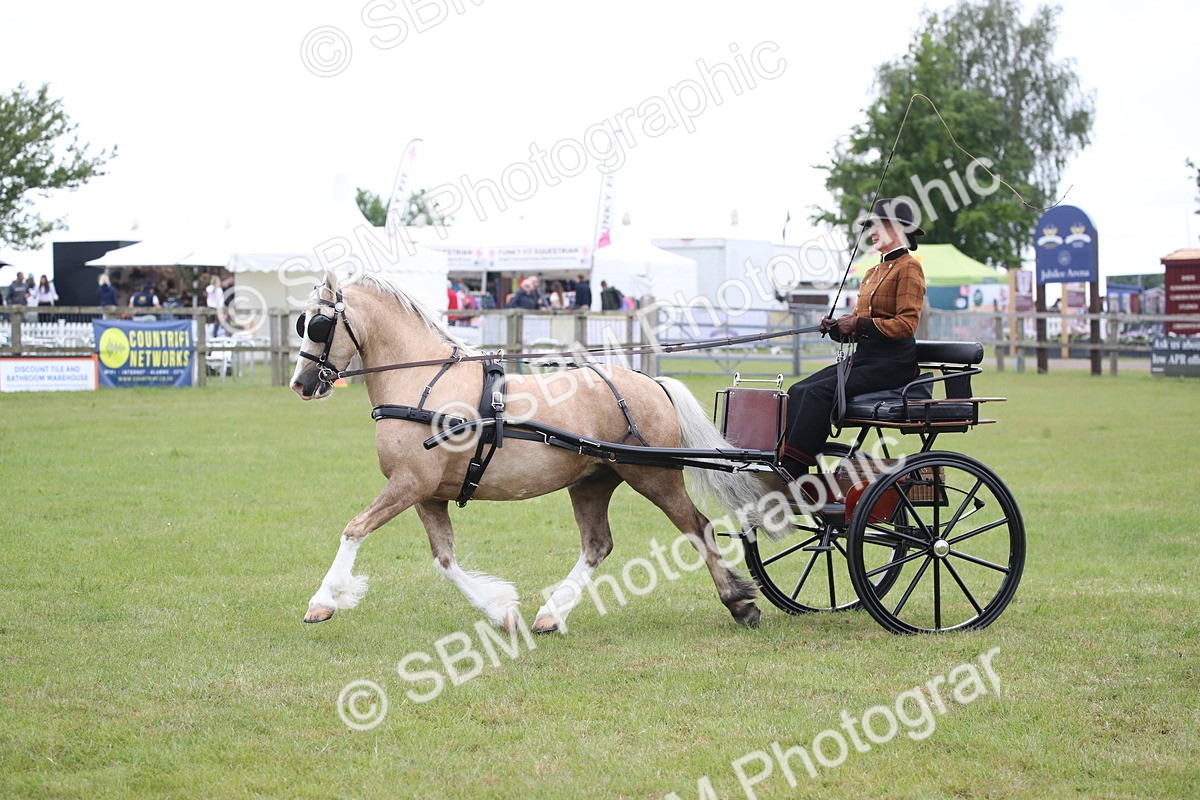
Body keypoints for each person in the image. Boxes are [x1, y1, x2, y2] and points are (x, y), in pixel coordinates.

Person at [779, 198, 927, 481]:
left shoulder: (909, 267)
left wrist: (859, 323)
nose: (871, 231)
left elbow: (906, 325)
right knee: (798, 389)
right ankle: (793, 458)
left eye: (877, 225)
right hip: (865, 358)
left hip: (893, 363)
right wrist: (838, 328)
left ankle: (793, 469)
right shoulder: (872, 271)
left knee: (816, 393)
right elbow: (860, 325)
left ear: (897, 228)